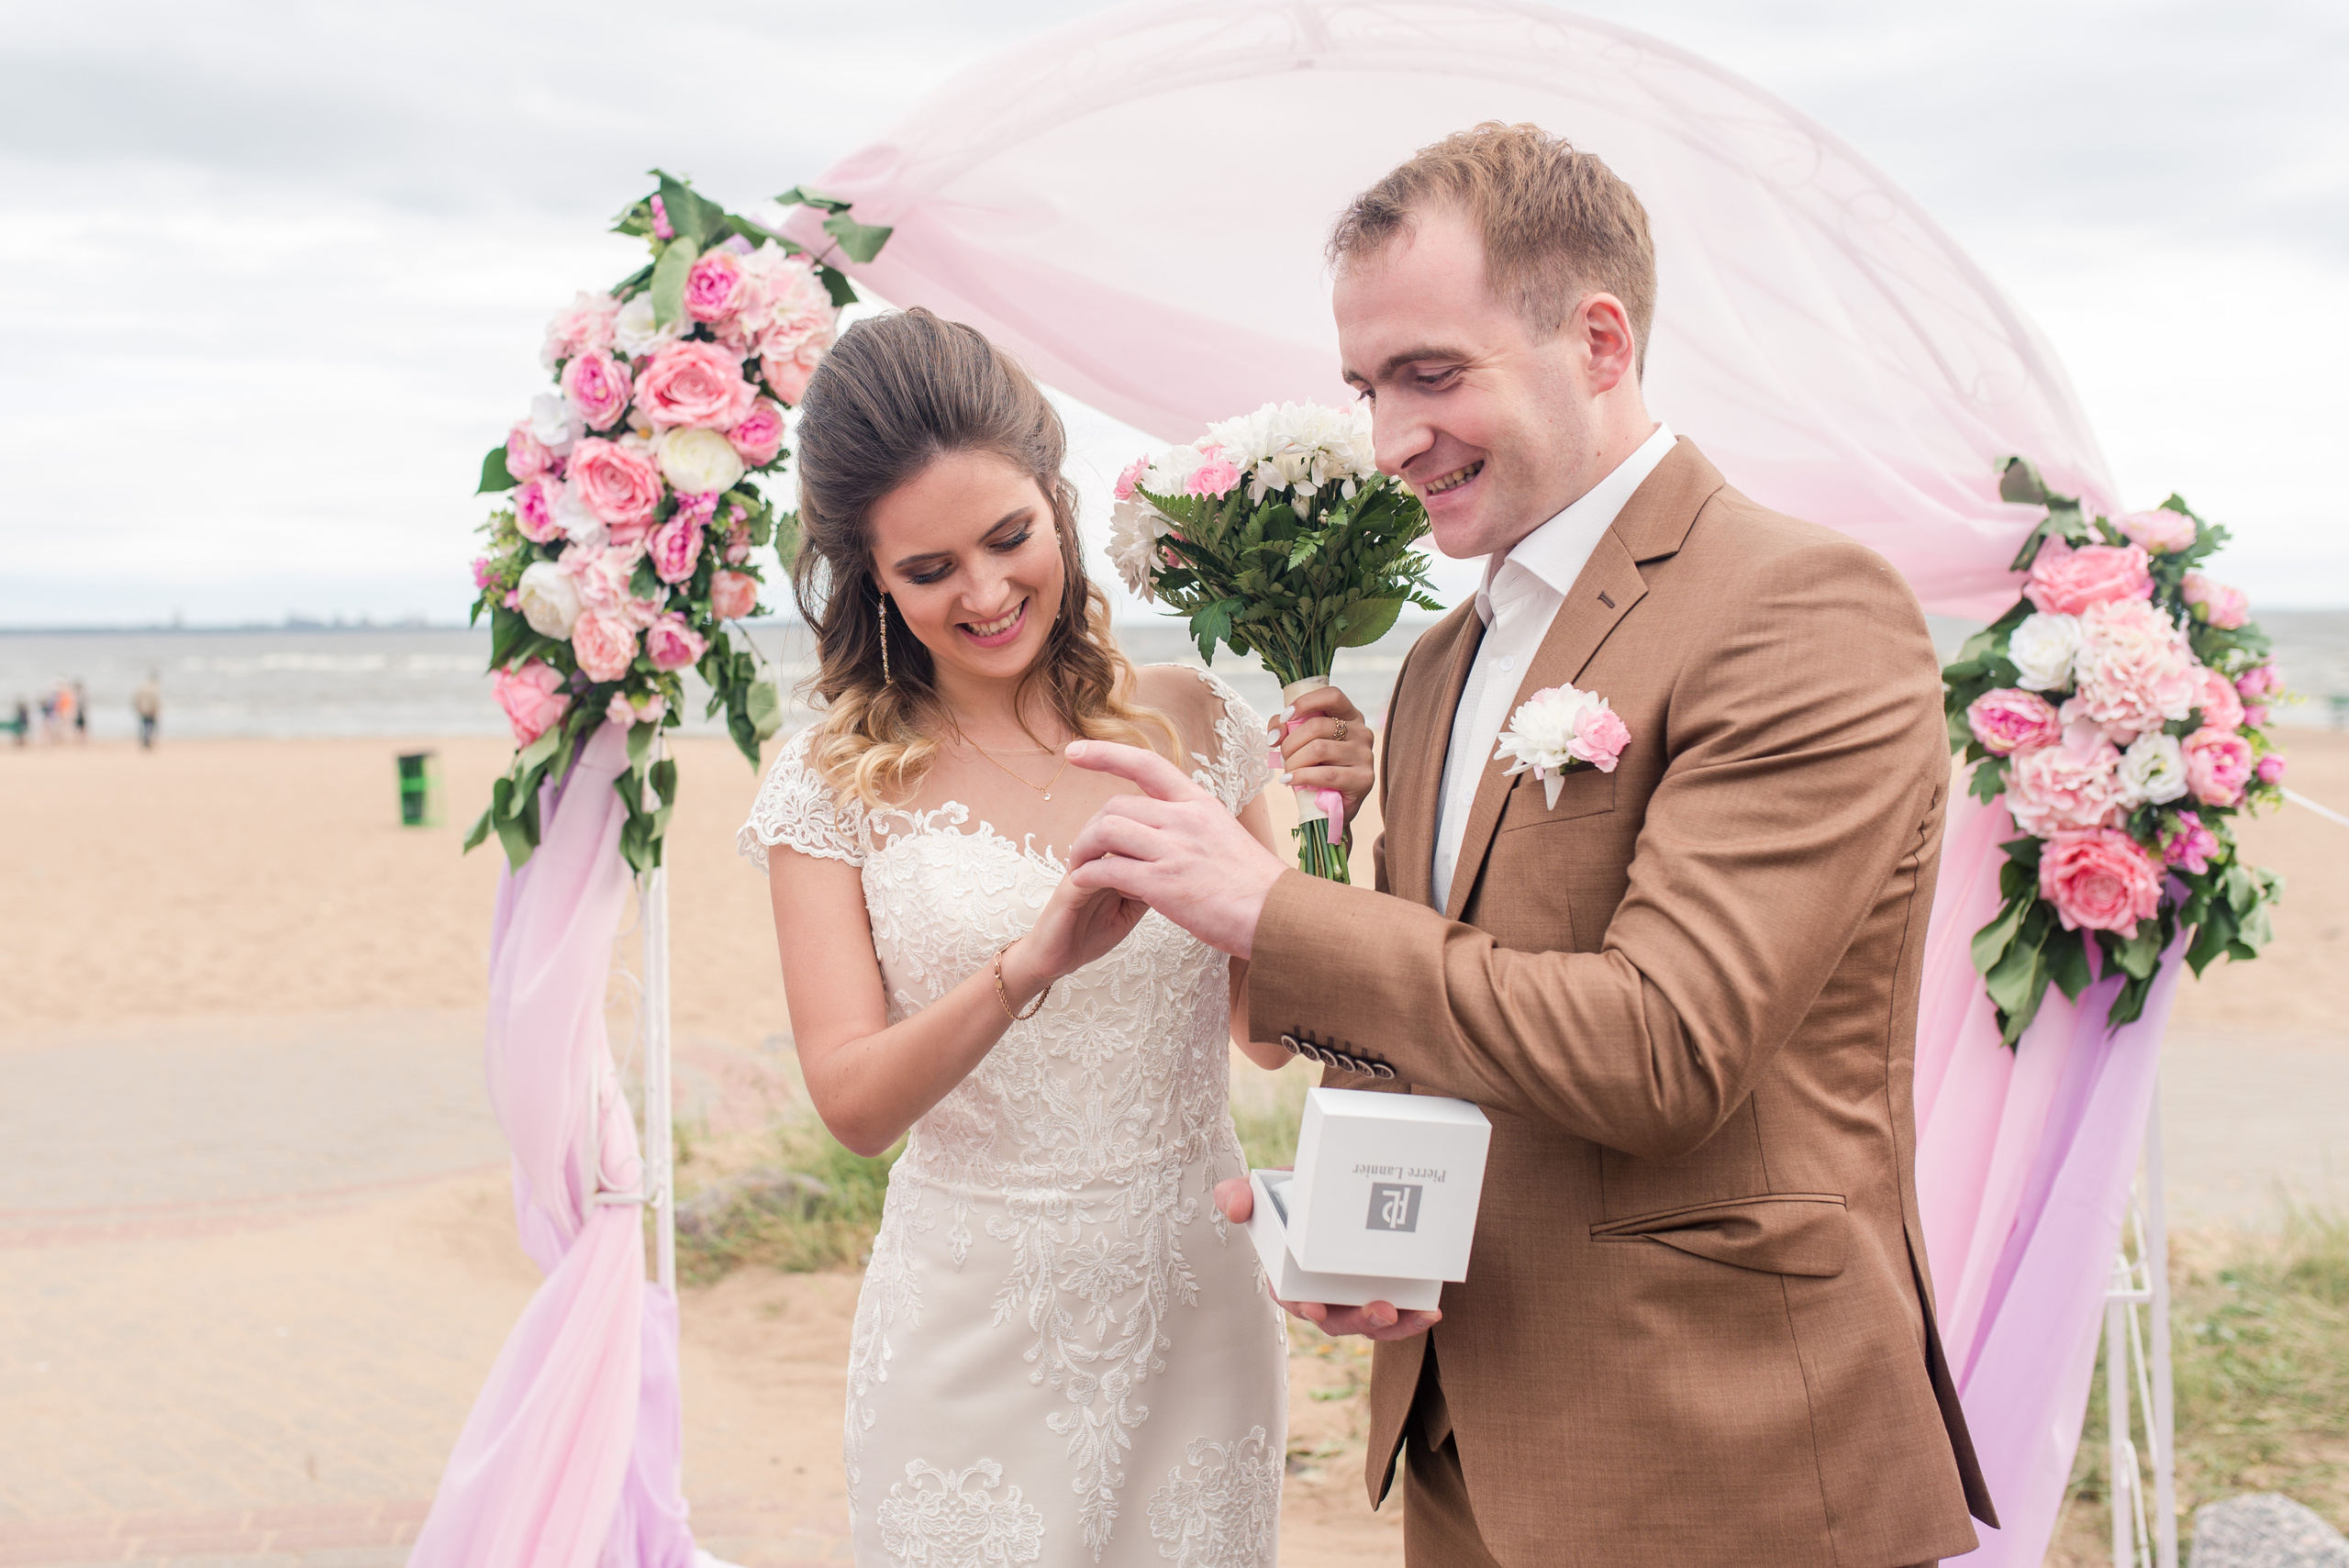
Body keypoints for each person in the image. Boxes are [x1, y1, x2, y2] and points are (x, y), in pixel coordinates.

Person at [1063, 124, 1994, 1567]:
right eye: (1369, 387)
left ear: (1601, 339)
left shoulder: (1799, 605)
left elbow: (1664, 1047)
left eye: (1433, 374)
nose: (1388, 440)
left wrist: (1271, 915)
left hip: (1718, 1454)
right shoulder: (1438, 662)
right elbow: (1447, 1029)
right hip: (1464, 1440)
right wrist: (1368, 1244)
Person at [738, 308, 1373, 1566]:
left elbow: (1268, 1035)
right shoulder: (827, 781)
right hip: (965, 1330)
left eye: (1008, 537)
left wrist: (1335, 827)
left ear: (1058, 503)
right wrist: (1030, 966)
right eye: (927, 571)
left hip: (1193, 1308)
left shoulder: (1195, 721)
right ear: (869, 575)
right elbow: (855, 1106)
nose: (984, 594)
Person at [133, 672, 161, 750]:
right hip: (150, 710)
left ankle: (144, 741)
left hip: (142, 709)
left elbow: (137, 698)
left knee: (144, 726)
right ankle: (147, 741)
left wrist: (137, 707)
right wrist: (156, 709)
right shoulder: (153, 688)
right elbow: (155, 700)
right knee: (150, 726)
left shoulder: (142, 688)